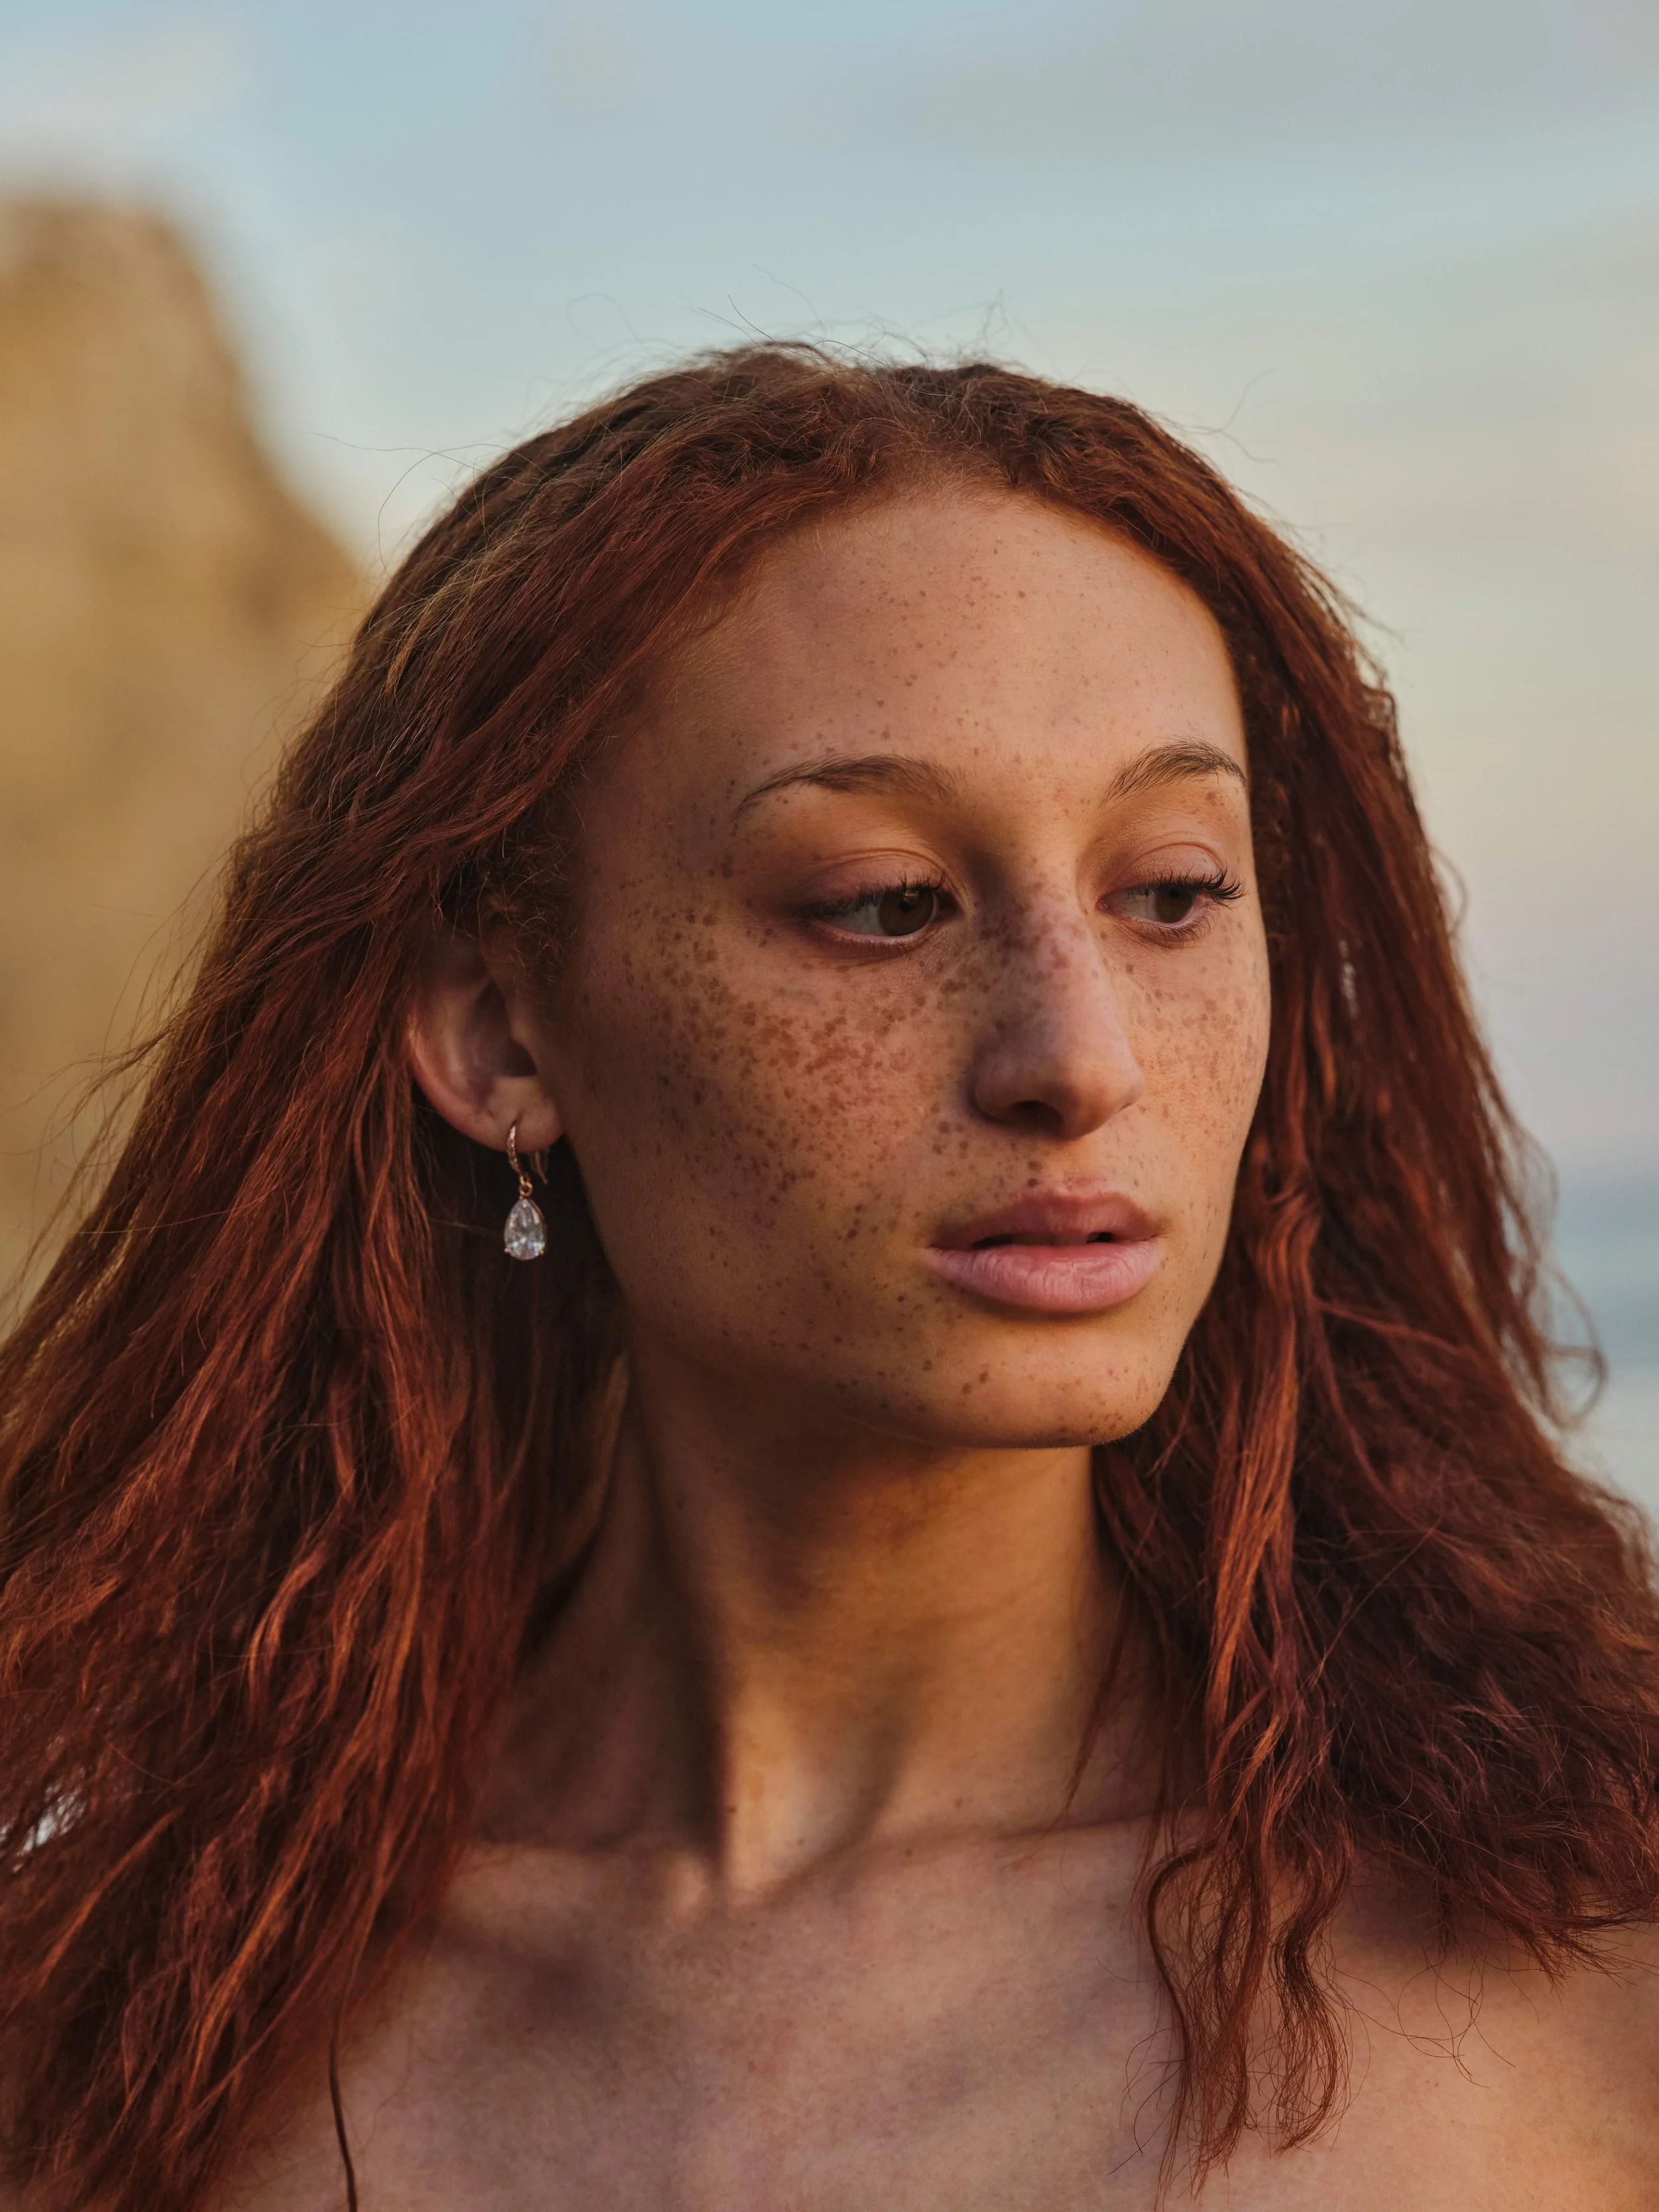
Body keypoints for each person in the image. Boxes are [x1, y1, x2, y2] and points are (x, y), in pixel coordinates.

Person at [1, 348, 1656, 2212]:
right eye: (883, 902)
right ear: (497, 1030)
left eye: (1171, 892)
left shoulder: (1584, 1980)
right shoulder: (125, 2041)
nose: (1079, 1055)